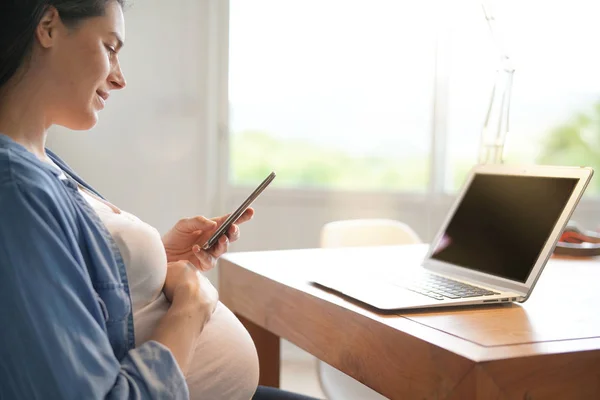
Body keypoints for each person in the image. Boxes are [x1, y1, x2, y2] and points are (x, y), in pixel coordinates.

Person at [0, 1, 320, 399]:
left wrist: (156, 264)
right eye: (110, 47)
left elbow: (80, 283)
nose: (120, 79)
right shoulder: (14, 187)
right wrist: (191, 307)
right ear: (48, 27)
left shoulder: (43, 162)